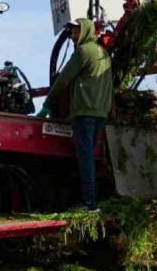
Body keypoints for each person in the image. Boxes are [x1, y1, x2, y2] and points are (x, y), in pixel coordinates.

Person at [38, 17, 114, 211]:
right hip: (100, 113)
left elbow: (63, 80)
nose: (72, 35)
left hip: (84, 112)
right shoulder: (103, 53)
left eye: (76, 31)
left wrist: (47, 103)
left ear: (85, 31)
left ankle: (89, 203)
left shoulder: (83, 51)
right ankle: (96, 199)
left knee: (85, 157)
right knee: (91, 156)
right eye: (72, 31)